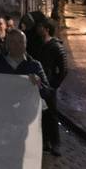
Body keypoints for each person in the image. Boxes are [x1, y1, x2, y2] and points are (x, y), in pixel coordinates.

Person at [36, 21, 68, 156]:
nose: (37, 29)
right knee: (41, 114)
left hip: (49, 86)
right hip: (38, 85)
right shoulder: (38, 44)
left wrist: (54, 85)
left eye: (40, 27)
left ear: (47, 29)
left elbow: (64, 69)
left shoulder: (55, 46)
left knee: (52, 115)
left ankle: (55, 143)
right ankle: (45, 141)